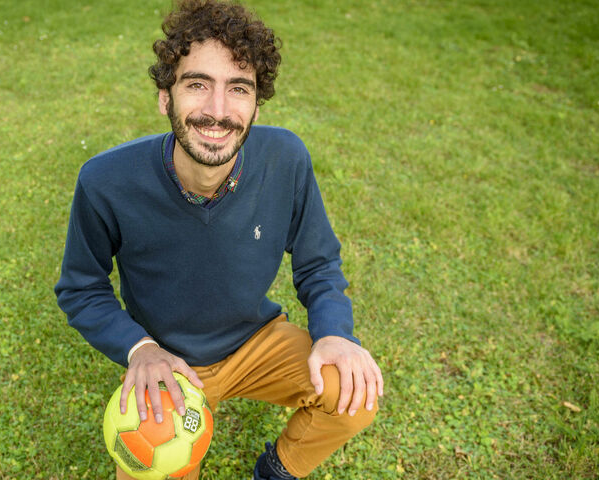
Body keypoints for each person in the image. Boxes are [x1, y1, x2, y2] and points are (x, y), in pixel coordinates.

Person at [55, 1, 384, 478]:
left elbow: (317, 263)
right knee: (151, 469)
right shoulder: (105, 181)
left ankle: (276, 471)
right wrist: (140, 350)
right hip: (171, 362)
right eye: (197, 85)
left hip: (258, 340)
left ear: (255, 103)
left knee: (353, 393)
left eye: (238, 89)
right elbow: (81, 289)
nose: (217, 111)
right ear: (165, 97)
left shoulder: (285, 158)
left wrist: (334, 332)